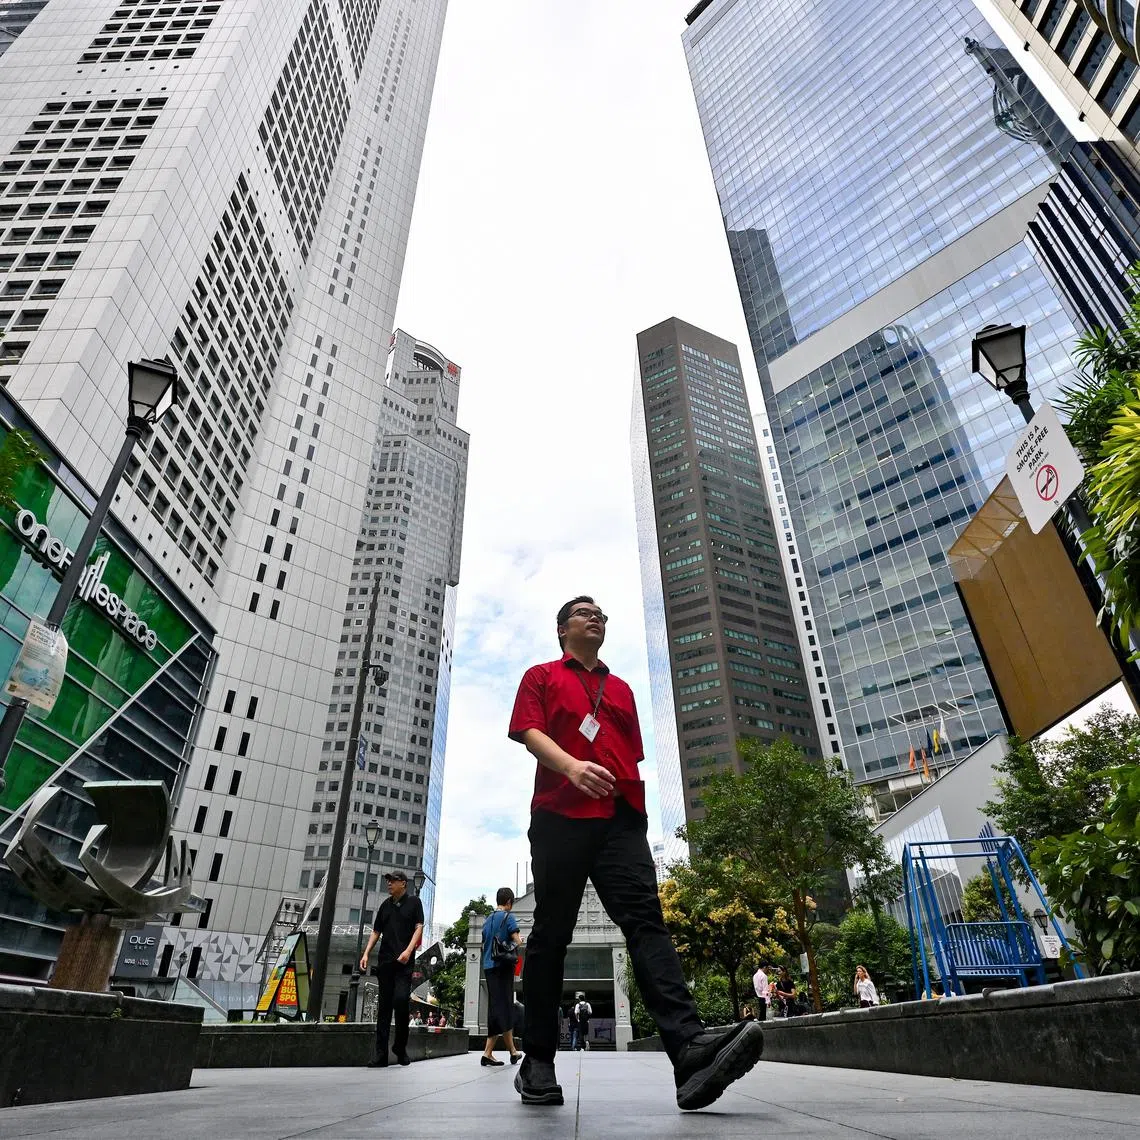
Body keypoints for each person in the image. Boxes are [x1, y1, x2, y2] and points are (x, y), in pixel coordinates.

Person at [508, 595, 764, 1110]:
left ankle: (689, 1052)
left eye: (601, 612)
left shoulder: (620, 689)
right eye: (583, 612)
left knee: (648, 924)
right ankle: (537, 1059)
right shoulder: (540, 676)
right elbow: (529, 732)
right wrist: (572, 767)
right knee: (551, 935)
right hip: (559, 815)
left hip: (620, 822)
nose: (596, 616)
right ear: (562, 630)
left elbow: (628, 752)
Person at [359, 869, 424, 1068]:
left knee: (401, 1000)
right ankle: (381, 1054)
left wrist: (409, 950)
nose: (389, 884)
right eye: (387, 881)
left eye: (393, 880)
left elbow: (419, 927)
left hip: (404, 962)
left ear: (403, 883)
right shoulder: (385, 906)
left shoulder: (414, 902)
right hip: (385, 961)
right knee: (384, 1008)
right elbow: (376, 931)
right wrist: (366, 952)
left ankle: (400, 1047)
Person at [481, 886, 524, 1067]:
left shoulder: (487, 919)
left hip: (489, 967)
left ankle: (511, 1052)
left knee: (498, 1007)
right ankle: (489, 1052)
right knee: (503, 1007)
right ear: (509, 902)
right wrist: (520, 942)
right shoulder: (508, 917)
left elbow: (485, 942)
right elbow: (517, 940)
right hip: (502, 967)